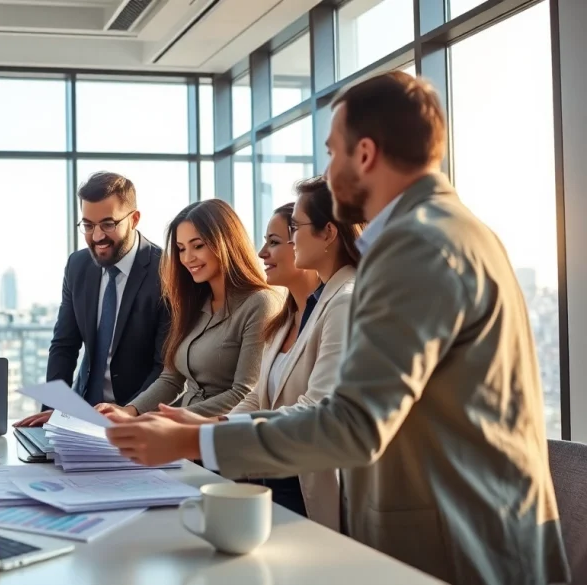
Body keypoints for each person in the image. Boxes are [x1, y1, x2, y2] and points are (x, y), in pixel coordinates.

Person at [104, 71, 569, 585]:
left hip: (457, 544)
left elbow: (354, 424)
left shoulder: (418, 246)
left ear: (364, 154)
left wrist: (196, 444)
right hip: (467, 529)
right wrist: (204, 428)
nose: (327, 169)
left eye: (332, 152)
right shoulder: (450, 230)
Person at [161, 178, 362, 531]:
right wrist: (205, 429)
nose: (261, 253)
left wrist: (205, 435)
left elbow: (316, 409)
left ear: (327, 233)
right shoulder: (288, 315)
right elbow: (255, 398)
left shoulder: (342, 302)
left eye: (282, 236)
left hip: (306, 484)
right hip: (269, 479)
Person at [100, 198, 281, 419]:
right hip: (179, 432)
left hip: (220, 436)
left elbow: (244, 393)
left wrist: (165, 420)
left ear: (225, 243)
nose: (187, 258)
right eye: (181, 249)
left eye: (198, 246)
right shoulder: (192, 303)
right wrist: (129, 411)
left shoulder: (260, 303)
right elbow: (171, 379)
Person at [15, 172, 169, 427]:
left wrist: (129, 413)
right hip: (80, 414)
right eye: (88, 225)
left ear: (134, 219)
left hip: (139, 420)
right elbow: (64, 345)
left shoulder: (165, 270)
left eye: (108, 224)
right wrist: (54, 412)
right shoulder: (78, 266)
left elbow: (164, 367)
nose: (97, 236)